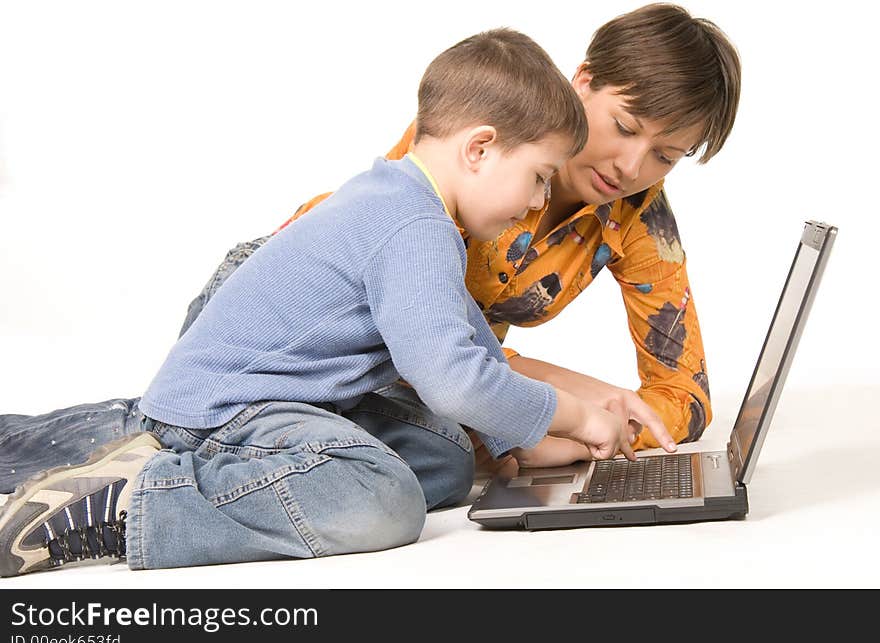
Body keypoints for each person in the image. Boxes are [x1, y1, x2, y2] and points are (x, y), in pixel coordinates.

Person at [0, 28, 676, 577]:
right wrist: (577, 411)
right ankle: (130, 503)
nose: (536, 200)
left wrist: (524, 440)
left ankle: (180, 469)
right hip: (227, 410)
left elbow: (467, 337)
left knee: (443, 457)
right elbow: (453, 376)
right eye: (535, 177)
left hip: (277, 398)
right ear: (479, 149)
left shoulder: (406, 201)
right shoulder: (414, 228)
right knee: (386, 501)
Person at [178, 2, 741, 473]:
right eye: (624, 127)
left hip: (401, 366)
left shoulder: (640, 221)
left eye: (665, 156)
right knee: (201, 435)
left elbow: (683, 398)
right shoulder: (482, 139)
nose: (630, 166)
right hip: (293, 318)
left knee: (443, 463)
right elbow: (422, 337)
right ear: (584, 80)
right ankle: (133, 467)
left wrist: (588, 430)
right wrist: (570, 404)